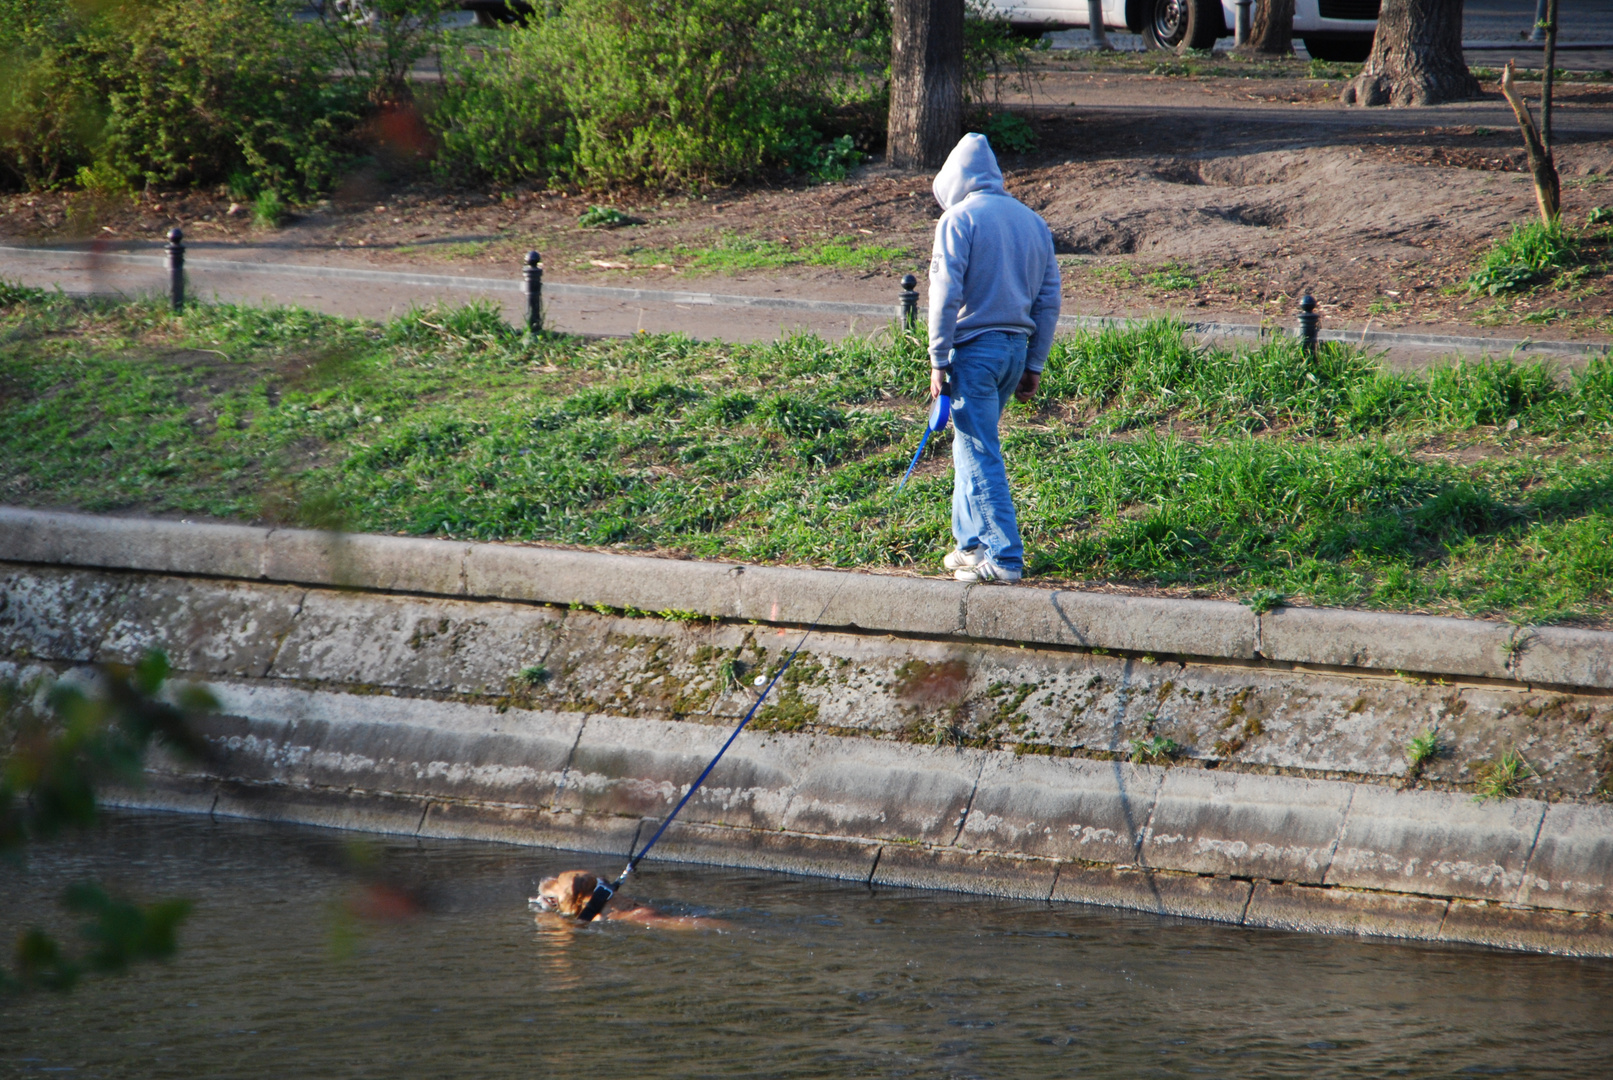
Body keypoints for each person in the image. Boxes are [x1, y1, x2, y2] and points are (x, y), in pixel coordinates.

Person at [926, 132, 1061, 584]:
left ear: (954, 178)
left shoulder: (959, 220)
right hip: (1013, 352)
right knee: (969, 441)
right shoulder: (1032, 222)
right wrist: (1034, 363)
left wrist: (938, 358)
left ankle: (1004, 559)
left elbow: (945, 295)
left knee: (980, 449)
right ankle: (970, 546)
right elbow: (1048, 299)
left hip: (974, 354)